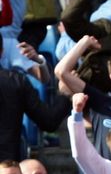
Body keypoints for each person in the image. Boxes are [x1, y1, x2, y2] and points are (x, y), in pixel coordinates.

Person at [0, 34, 69, 162]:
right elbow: (49, 121)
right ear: (2, 50)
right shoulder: (16, 81)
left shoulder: (16, 81)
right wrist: (65, 95)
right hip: (8, 171)